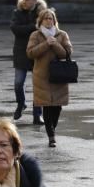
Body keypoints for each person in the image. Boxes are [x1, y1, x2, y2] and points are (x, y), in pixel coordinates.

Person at [26, 8, 73, 148]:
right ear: (41, 20)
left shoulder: (62, 34)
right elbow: (30, 53)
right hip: (42, 76)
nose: (48, 20)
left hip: (59, 75)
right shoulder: (35, 35)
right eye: (46, 18)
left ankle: (53, 129)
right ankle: (51, 136)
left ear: (54, 20)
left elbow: (67, 53)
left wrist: (55, 44)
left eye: (50, 18)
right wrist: (46, 44)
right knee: (47, 106)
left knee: (57, 107)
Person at [11, 0, 46, 124]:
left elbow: (48, 29)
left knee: (38, 86)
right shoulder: (17, 12)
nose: (24, 1)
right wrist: (34, 27)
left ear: (35, 1)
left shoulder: (42, 14)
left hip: (38, 53)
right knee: (18, 83)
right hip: (21, 53)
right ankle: (21, 104)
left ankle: (38, 114)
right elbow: (15, 29)